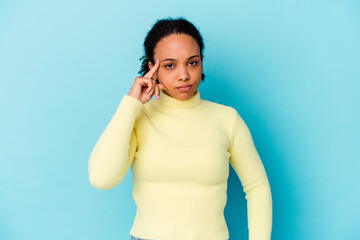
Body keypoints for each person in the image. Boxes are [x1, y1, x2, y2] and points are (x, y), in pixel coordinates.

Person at [88, 17, 272, 240]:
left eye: (192, 62)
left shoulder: (227, 119)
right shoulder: (138, 117)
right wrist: (130, 104)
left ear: (202, 61)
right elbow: (101, 178)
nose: (184, 74)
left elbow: (257, 187)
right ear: (152, 68)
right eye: (169, 65)